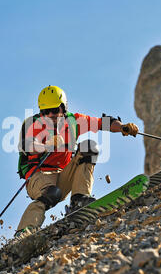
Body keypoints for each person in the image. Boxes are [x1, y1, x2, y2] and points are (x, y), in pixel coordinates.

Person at [15, 85, 139, 237]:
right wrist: (47, 145)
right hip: (38, 176)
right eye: (45, 111)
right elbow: (27, 146)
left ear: (64, 107)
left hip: (63, 174)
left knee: (89, 147)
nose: (51, 115)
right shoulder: (33, 123)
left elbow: (103, 122)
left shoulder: (74, 122)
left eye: (55, 110)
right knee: (51, 194)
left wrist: (122, 127)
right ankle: (24, 231)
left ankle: (79, 201)